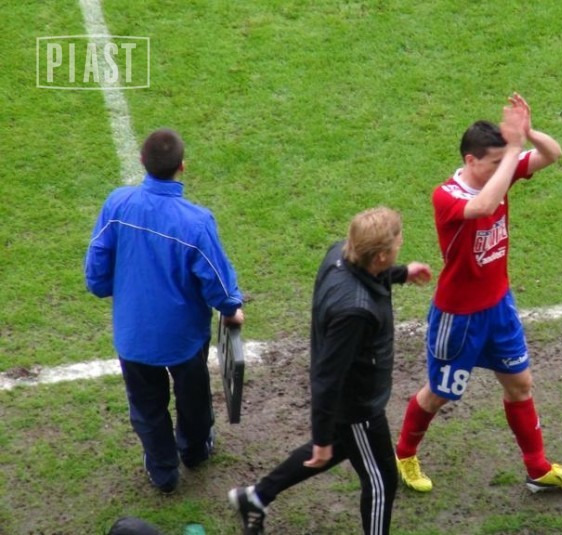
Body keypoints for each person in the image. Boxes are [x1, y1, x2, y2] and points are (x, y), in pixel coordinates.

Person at [394, 93, 562, 494]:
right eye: (495, 163)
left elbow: (553, 154)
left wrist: (528, 133)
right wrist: (513, 152)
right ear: (470, 160)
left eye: (505, 163)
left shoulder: (497, 173)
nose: (504, 169)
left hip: (499, 307)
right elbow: (483, 206)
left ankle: (538, 468)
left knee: (520, 384)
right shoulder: (447, 195)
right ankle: (404, 454)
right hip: (458, 317)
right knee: (439, 394)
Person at [228, 207, 432, 535]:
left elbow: (370, 273)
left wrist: (401, 273)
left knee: (338, 447)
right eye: (397, 241)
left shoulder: (341, 252)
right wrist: (321, 437)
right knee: (381, 481)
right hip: (359, 408)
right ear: (381, 255)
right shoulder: (355, 312)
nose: (401, 243)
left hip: (350, 401)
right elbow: (327, 379)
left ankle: (256, 497)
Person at [85, 129, 244, 494]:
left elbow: (97, 263)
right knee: (193, 397)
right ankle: (195, 450)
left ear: (142, 161)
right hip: (183, 338)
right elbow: (216, 280)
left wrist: (106, 287)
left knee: (146, 407)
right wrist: (231, 308)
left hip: (134, 336)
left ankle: (163, 471)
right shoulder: (197, 222)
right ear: (182, 167)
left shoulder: (117, 204)